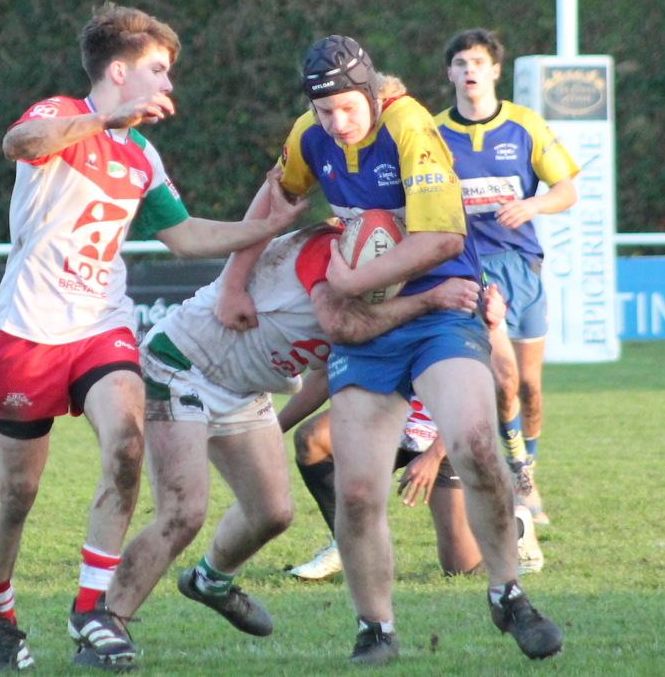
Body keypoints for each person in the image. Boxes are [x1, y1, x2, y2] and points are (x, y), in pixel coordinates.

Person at [0, 5, 307, 672]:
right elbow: (21, 143)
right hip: (25, 332)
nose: (168, 84)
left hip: (102, 324)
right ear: (119, 71)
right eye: (158, 69)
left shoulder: (142, 155)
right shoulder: (64, 114)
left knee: (127, 444)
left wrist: (267, 227)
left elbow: (185, 236)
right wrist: (105, 120)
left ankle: (92, 610)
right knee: (17, 493)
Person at [216, 35, 562, 665]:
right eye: (324, 112)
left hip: (443, 304)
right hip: (370, 326)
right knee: (356, 491)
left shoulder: (409, 128)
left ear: (373, 94)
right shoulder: (310, 136)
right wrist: (233, 283)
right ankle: (375, 627)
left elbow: (441, 239)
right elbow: (275, 199)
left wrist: (348, 283)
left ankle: (507, 593)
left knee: (475, 444)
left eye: (348, 108)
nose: (337, 123)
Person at [97, 214, 491, 641]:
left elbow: (322, 375)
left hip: (244, 389)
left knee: (272, 514)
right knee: (184, 513)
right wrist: (432, 300)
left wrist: (274, 428)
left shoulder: (389, 282)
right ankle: (104, 623)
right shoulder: (329, 247)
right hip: (182, 364)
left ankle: (209, 580)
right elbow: (340, 325)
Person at [287, 284, 543, 584]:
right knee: (312, 439)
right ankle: (347, 543)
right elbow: (324, 372)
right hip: (385, 412)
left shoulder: (459, 288)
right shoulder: (369, 281)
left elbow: (482, 393)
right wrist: (269, 430)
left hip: (445, 430)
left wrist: (433, 456)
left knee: (461, 568)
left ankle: (516, 525)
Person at [433, 29, 579, 525]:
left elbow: (566, 190)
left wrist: (532, 205)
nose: (469, 70)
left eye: (478, 62)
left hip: (523, 268)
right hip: (471, 271)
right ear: (450, 73)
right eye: (460, 63)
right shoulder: (433, 133)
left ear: (495, 71)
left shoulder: (525, 124)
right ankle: (516, 473)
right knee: (504, 378)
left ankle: (525, 470)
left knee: (530, 386)